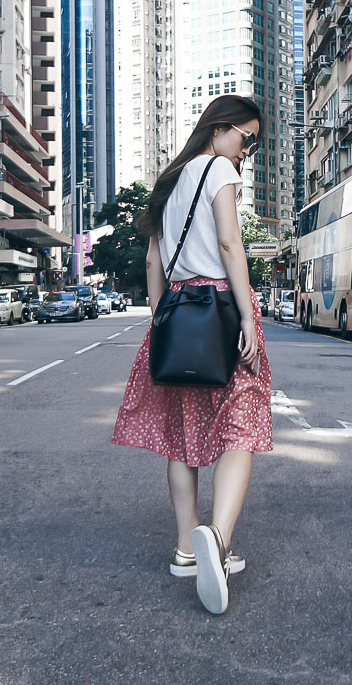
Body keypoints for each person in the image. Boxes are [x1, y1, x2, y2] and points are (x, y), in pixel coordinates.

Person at [111, 94, 271, 616]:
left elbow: (153, 262)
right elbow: (229, 245)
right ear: (220, 128)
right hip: (219, 309)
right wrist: (246, 316)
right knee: (242, 425)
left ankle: (185, 547)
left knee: (182, 433)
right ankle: (217, 541)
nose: (247, 152)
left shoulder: (170, 180)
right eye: (247, 139)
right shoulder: (220, 171)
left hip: (178, 313)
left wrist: (162, 320)